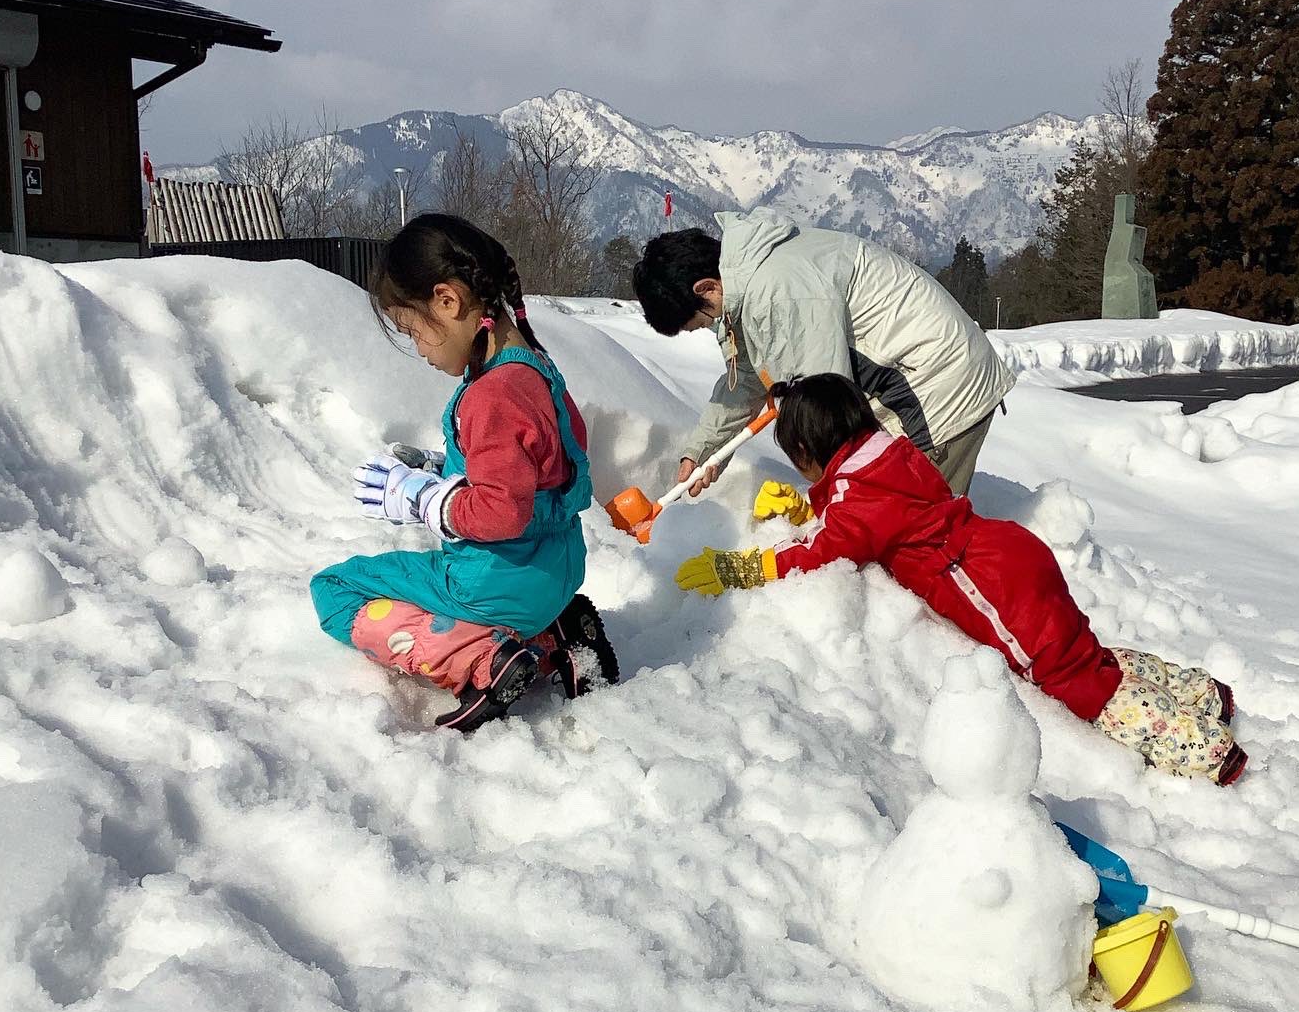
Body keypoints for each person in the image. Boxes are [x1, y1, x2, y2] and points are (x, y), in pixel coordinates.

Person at [673, 374, 1246, 785]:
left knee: (1075, 680)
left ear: (807, 450)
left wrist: (746, 566)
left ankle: (1205, 750)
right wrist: (808, 506)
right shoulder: (889, 453)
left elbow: (828, 548)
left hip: (987, 585)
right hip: (1006, 554)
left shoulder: (858, 494)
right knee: (1079, 652)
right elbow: (863, 514)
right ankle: (1201, 693)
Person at [310, 214, 617, 732]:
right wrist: (436, 469)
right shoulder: (536, 369)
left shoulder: (492, 395)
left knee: (337, 589)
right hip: (557, 571)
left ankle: (485, 660)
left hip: (495, 582)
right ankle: (555, 634)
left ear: (447, 302)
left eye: (414, 332)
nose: (420, 351)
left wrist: (422, 501)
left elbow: (501, 511)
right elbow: (535, 472)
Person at [631, 211, 1015, 498]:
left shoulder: (779, 289)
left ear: (707, 287)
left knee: (912, 527)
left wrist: (833, 496)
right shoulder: (751, 280)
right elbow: (747, 377)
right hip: (917, 380)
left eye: (701, 321)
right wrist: (703, 451)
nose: (708, 327)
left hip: (934, 391)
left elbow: (825, 408)